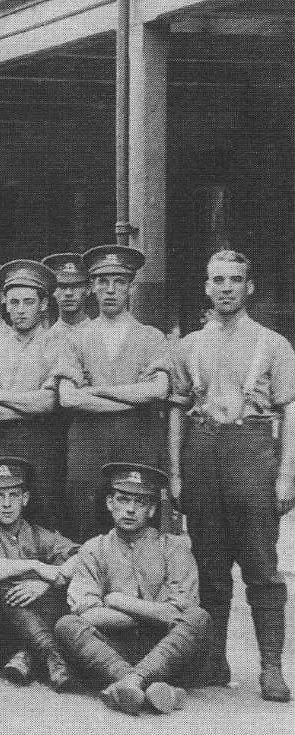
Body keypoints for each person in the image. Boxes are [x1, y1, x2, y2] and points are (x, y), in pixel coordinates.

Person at [169, 248, 294, 701]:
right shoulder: (189, 345)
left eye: (234, 280)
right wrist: (176, 473)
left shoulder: (273, 343)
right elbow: (177, 410)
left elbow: (290, 409)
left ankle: (270, 668)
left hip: (252, 451)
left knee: (261, 566)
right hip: (202, 452)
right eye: (217, 280)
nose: (225, 288)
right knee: (210, 566)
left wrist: (287, 475)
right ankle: (213, 660)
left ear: (250, 287)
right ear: (206, 286)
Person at [55, 463, 210, 716]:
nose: (129, 509)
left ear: (151, 509)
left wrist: (117, 600)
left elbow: (179, 613)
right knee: (66, 624)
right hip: (113, 648)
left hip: (166, 648)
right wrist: (152, 613)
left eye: (140, 502)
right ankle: (145, 686)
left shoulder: (174, 548)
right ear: (109, 503)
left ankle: (128, 684)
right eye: (123, 499)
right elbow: (88, 613)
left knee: (198, 618)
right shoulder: (94, 549)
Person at [55, 245, 170, 542]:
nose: (110, 290)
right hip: (88, 447)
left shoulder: (151, 337)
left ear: (130, 287)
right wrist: (134, 395)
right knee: (84, 529)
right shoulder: (76, 337)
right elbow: (68, 397)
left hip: (137, 442)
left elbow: (158, 389)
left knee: (140, 530)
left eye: (119, 282)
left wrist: (96, 390)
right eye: (102, 282)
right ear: (92, 287)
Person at [0, 456, 79, 691]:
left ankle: (28, 655)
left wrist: (46, 583)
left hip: (33, 625)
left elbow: (85, 556)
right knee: (1, 587)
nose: (6, 504)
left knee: (55, 589)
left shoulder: (39, 535)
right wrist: (34, 567)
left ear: (25, 499)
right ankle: (50, 653)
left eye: (13, 495)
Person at [0, 259, 66, 529]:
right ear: (6, 304)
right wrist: (25, 405)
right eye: (14, 302)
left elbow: (49, 402)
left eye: (28, 302)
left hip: (43, 454)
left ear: (43, 304)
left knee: (45, 525)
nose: (20, 311)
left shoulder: (58, 345)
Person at [42, 252, 92, 338]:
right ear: (52, 290)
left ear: (88, 289)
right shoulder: (46, 339)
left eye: (75, 286)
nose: (68, 293)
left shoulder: (102, 334)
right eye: (62, 286)